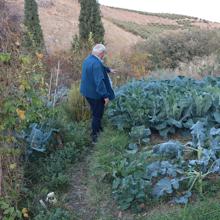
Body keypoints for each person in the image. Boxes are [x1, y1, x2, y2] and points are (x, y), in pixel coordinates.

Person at [80, 44, 115, 143]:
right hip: (95, 95)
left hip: (87, 92)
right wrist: (105, 96)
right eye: (104, 53)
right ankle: (95, 137)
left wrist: (108, 70)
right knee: (97, 115)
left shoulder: (88, 59)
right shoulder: (96, 64)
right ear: (101, 53)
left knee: (95, 112)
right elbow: (99, 82)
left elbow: (99, 66)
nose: (104, 55)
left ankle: (99, 129)